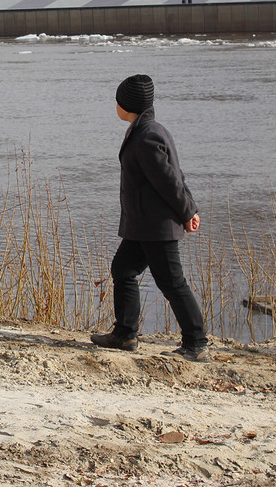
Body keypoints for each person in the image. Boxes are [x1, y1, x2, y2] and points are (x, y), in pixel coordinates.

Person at [91, 75, 210, 362]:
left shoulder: (147, 136)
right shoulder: (145, 130)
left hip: (156, 226)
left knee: (172, 282)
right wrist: (190, 208)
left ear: (127, 104)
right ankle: (125, 334)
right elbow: (175, 176)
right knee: (122, 269)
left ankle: (196, 344)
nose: (115, 105)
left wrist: (188, 211)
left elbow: (170, 181)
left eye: (117, 100)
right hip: (141, 224)